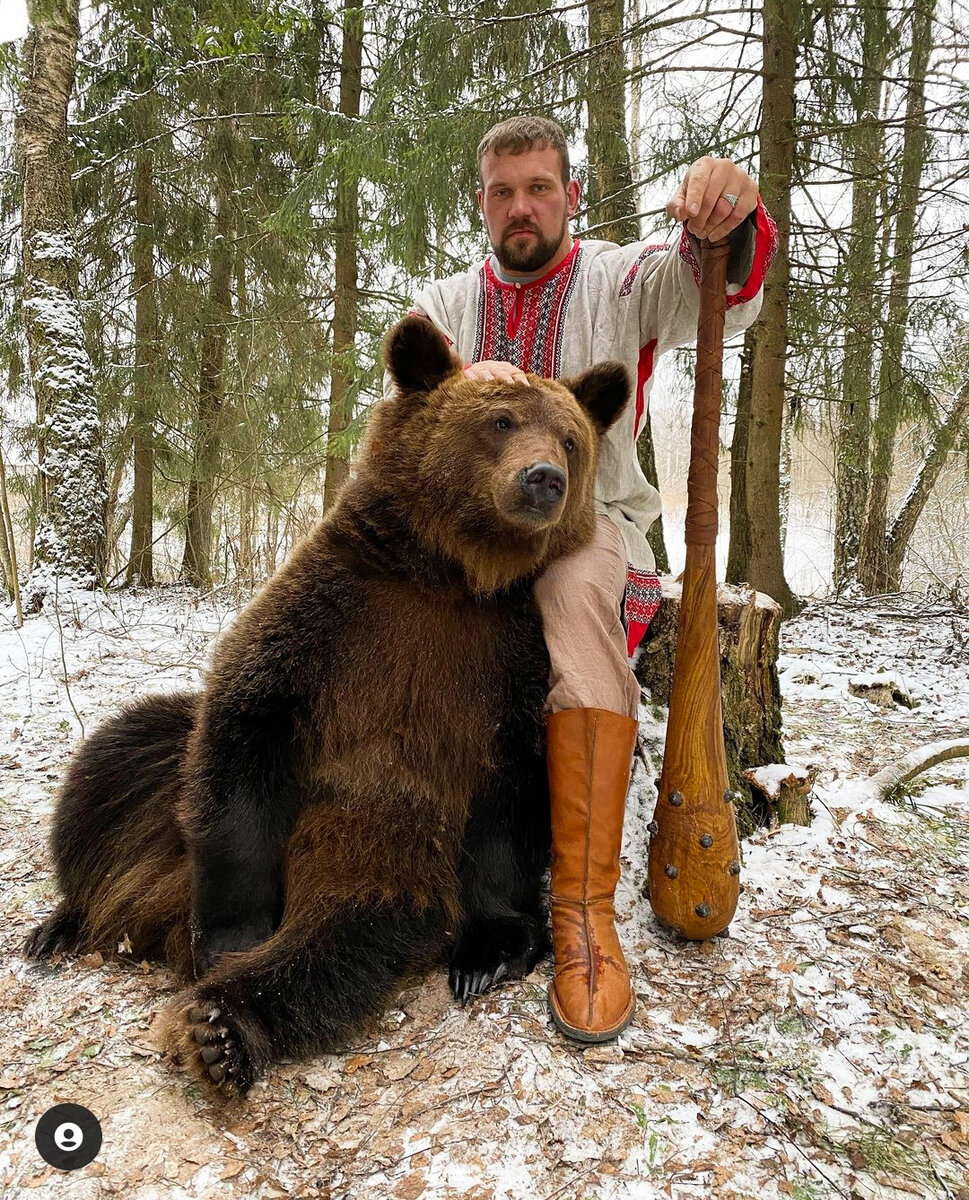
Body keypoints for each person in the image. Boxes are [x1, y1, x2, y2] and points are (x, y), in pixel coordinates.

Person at [402, 116, 776, 1043]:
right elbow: (407, 426)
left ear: (570, 193)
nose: (520, 207)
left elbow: (721, 294)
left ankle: (581, 914)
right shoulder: (442, 303)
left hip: (591, 526)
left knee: (571, 598)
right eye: (502, 192)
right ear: (482, 203)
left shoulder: (623, 278)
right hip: (466, 537)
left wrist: (725, 213)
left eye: (538, 187)